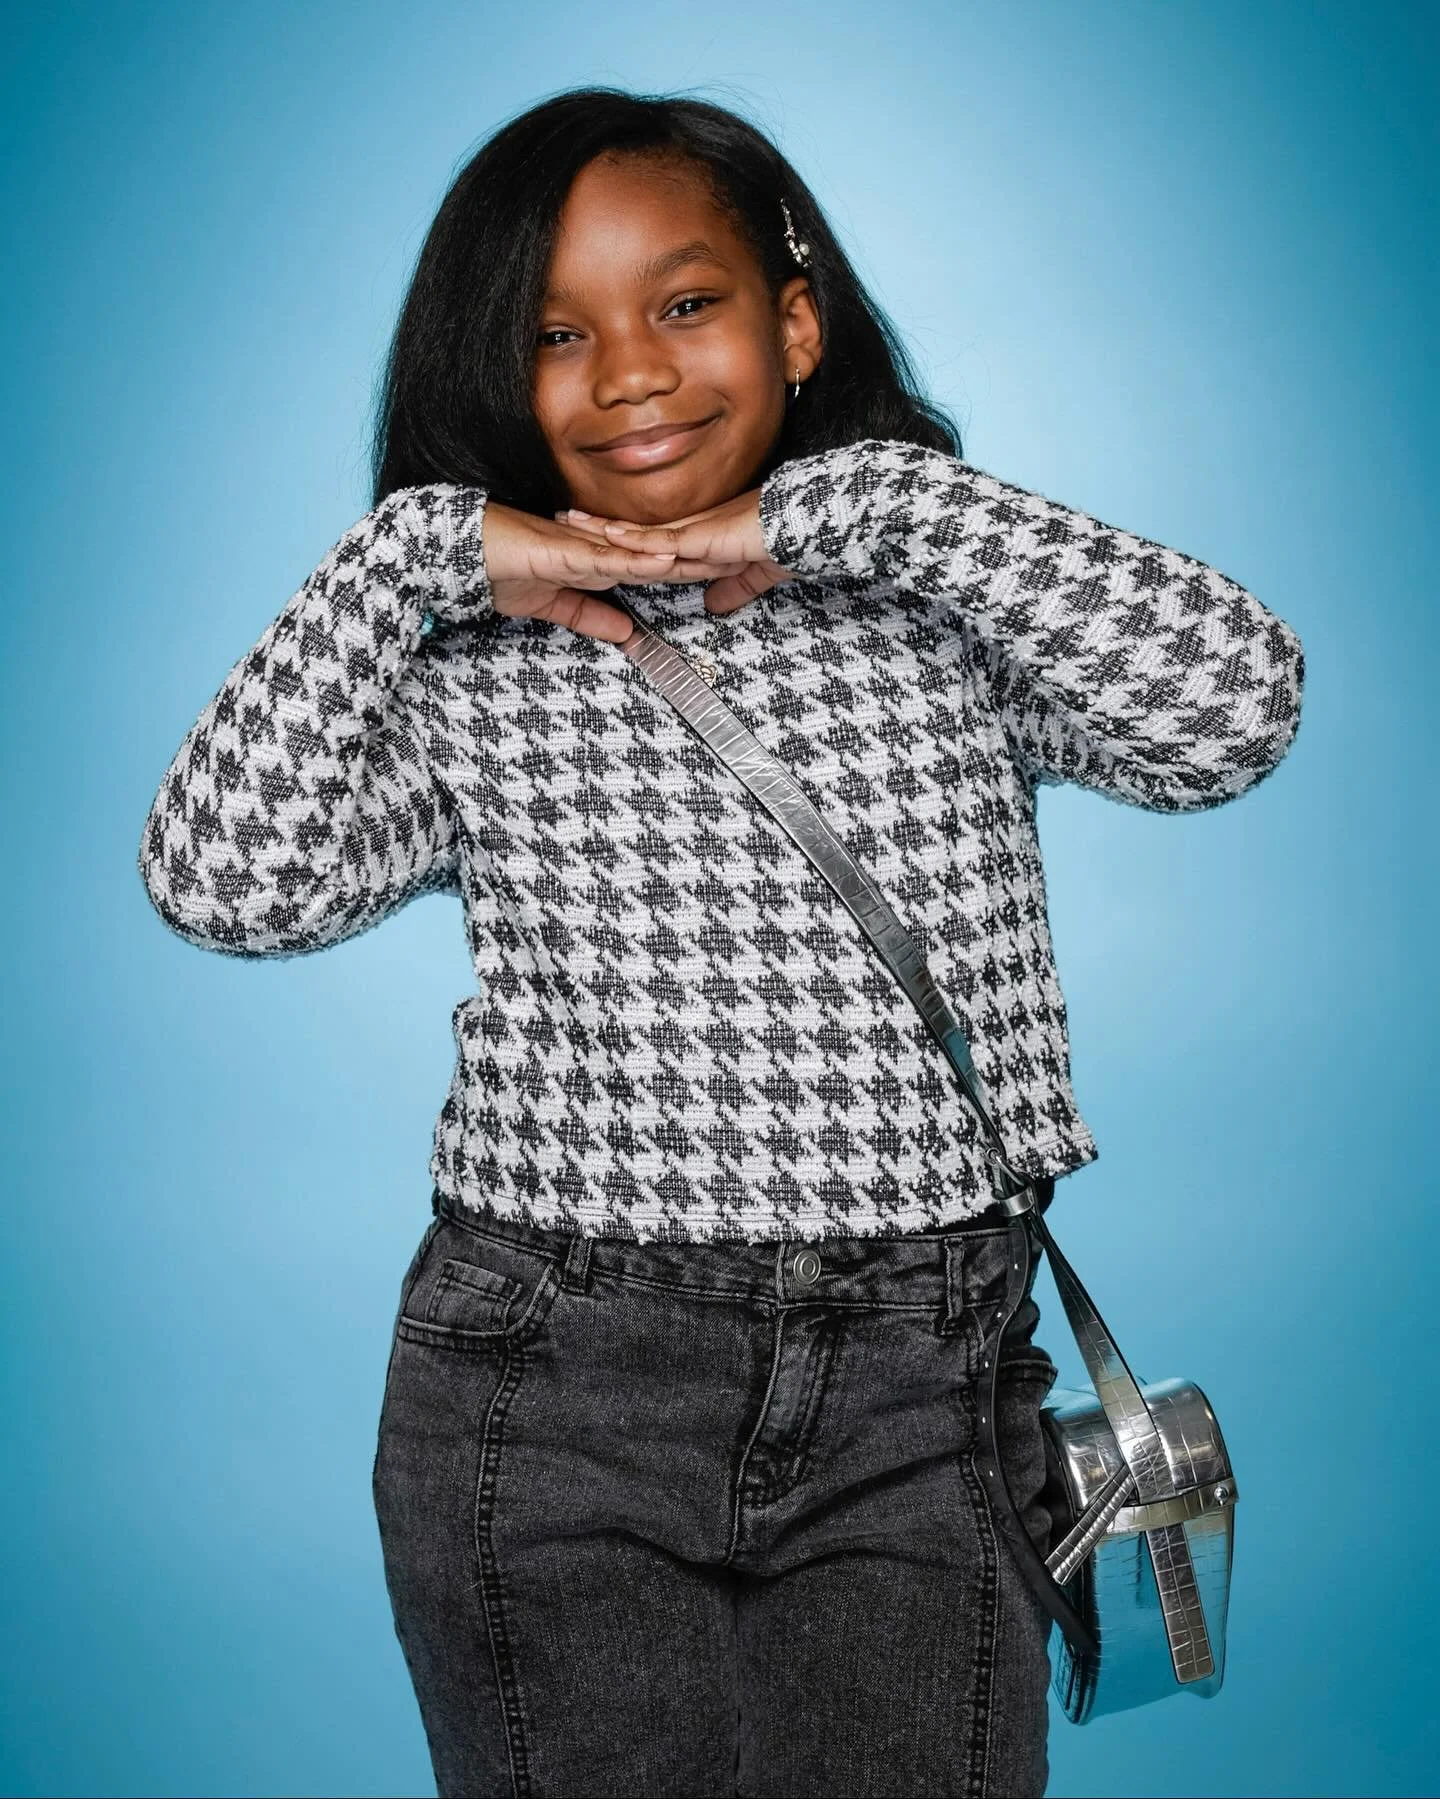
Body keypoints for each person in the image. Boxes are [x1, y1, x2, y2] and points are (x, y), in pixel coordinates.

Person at [137, 86, 1305, 1799]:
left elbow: (1234, 707)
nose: (630, 372)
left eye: (686, 303)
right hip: (554, 1382)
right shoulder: (473, 670)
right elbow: (220, 880)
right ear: (492, 370)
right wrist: (413, 559)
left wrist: (859, 511)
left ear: (796, 318)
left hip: (925, 1380)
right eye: (556, 332)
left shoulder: (935, 617)